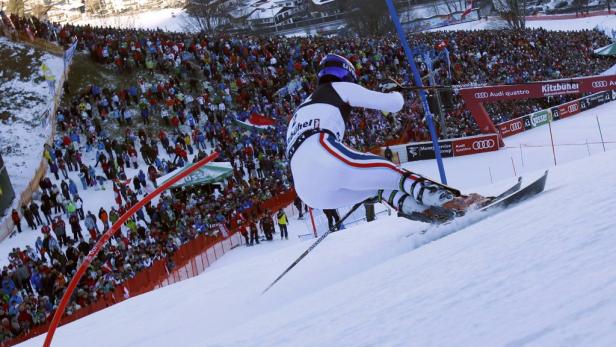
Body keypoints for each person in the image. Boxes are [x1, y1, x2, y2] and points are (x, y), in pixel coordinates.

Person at [286, 54, 484, 222]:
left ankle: (426, 211)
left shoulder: (301, 109)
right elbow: (393, 104)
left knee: (378, 188)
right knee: (390, 172)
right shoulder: (339, 88)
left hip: (308, 190)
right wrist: (394, 91)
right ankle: (453, 202)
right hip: (321, 153)